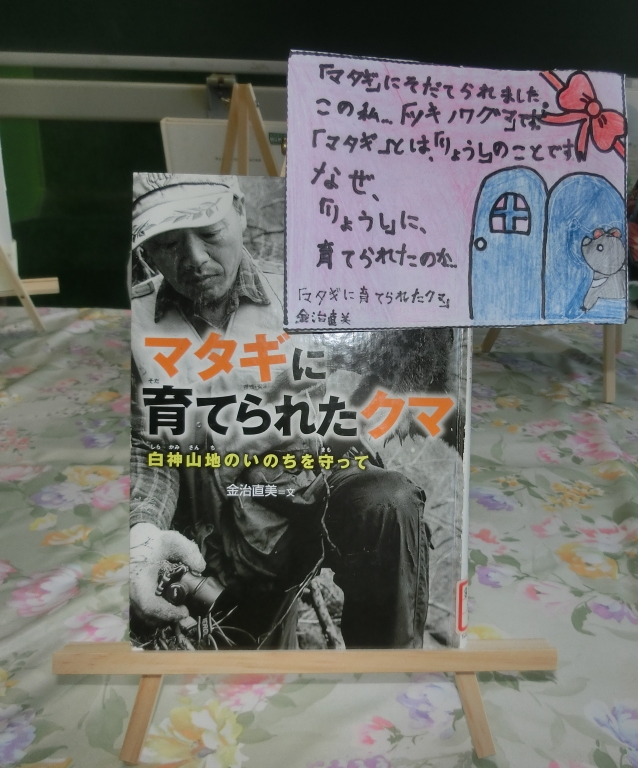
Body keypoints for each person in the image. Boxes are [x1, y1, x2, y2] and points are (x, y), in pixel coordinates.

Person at [128, 174, 430, 650]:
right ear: (146, 249)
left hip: (309, 505)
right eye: (167, 243)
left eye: (208, 232)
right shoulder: (134, 324)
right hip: (212, 553)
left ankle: (386, 676)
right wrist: (143, 534)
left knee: (387, 504)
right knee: (254, 667)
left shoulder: (304, 294)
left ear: (240, 211)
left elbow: (382, 376)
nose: (195, 259)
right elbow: (148, 450)